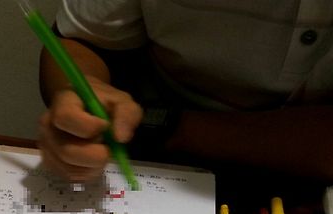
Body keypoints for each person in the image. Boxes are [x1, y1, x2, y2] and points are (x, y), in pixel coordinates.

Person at [38, 0, 333, 183]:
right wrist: (80, 87)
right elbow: (81, 39)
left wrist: (172, 128)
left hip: (311, 195)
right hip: (153, 161)